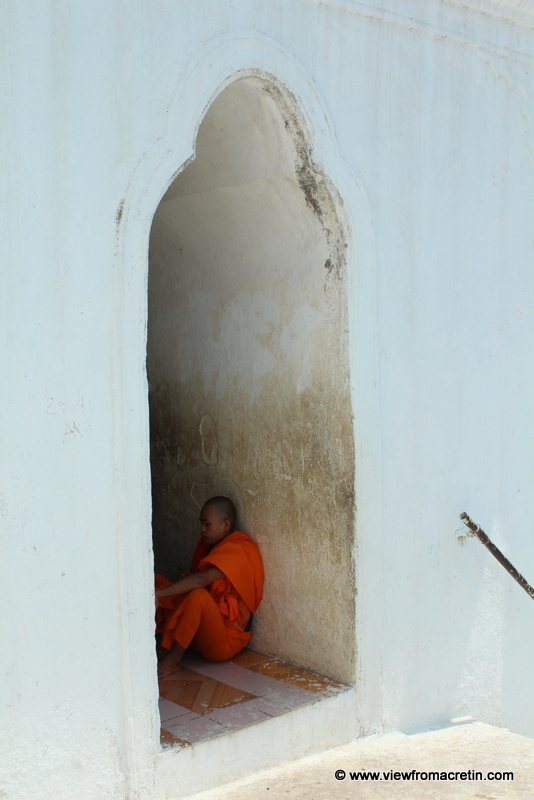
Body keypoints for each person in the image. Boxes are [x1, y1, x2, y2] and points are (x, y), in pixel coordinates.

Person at [155, 496, 264, 678]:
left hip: (223, 642)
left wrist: (156, 595)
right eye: (201, 523)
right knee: (158, 580)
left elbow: (202, 581)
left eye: (207, 524)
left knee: (197, 596)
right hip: (201, 633)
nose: (202, 529)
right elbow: (206, 583)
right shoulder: (211, 546)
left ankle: (173, 660)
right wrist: (180, 582)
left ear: (226, 525)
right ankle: (159, 647)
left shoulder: (237, 550)